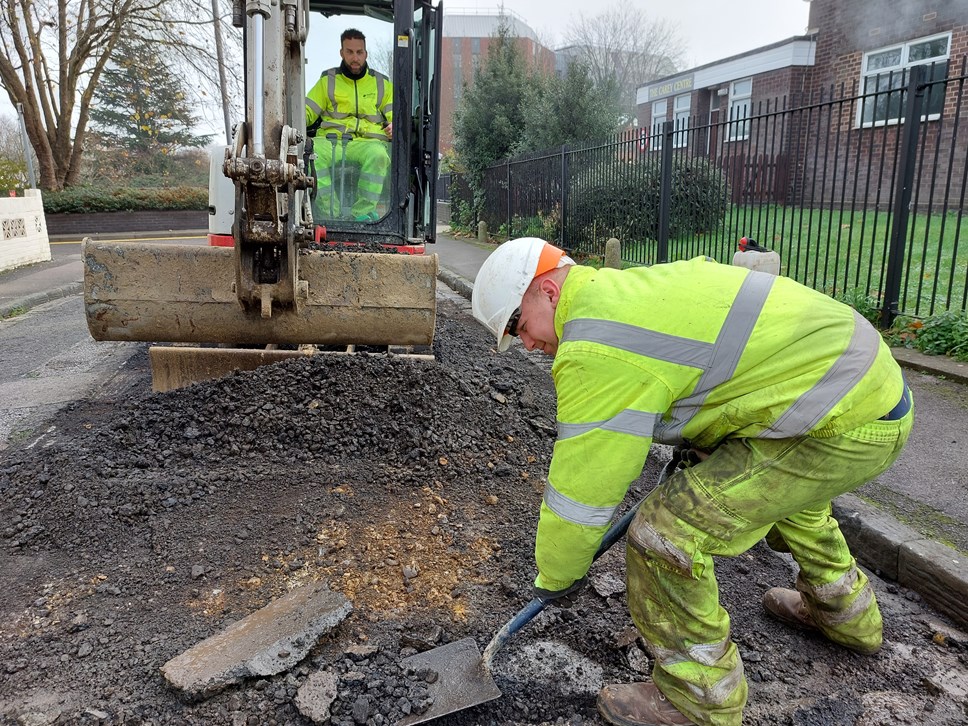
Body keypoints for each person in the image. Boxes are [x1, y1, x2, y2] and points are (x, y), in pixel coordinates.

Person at [471, 237, 913, 726]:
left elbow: (582, 491)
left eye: (518, 324)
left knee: (664, 534)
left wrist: (556, 577)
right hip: (866, 390)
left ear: (548, 291)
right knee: (793, 504)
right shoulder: (625, 294)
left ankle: (698, 701)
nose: (526, 343)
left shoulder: (594, 345)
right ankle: (849, 621)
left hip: (839, 422)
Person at [305, 28, 393, 222]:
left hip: (368, 143)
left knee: (379, 156)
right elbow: (307, 110)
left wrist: (395, 124)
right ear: (342, 53)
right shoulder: (327, 81)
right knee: (311, 154)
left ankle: (360, 215)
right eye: (350, 52)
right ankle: (332, 215)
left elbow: (395, 112)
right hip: (331, 142)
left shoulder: (382, 84)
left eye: (359, 52)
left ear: (366, 54)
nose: (355, 58)